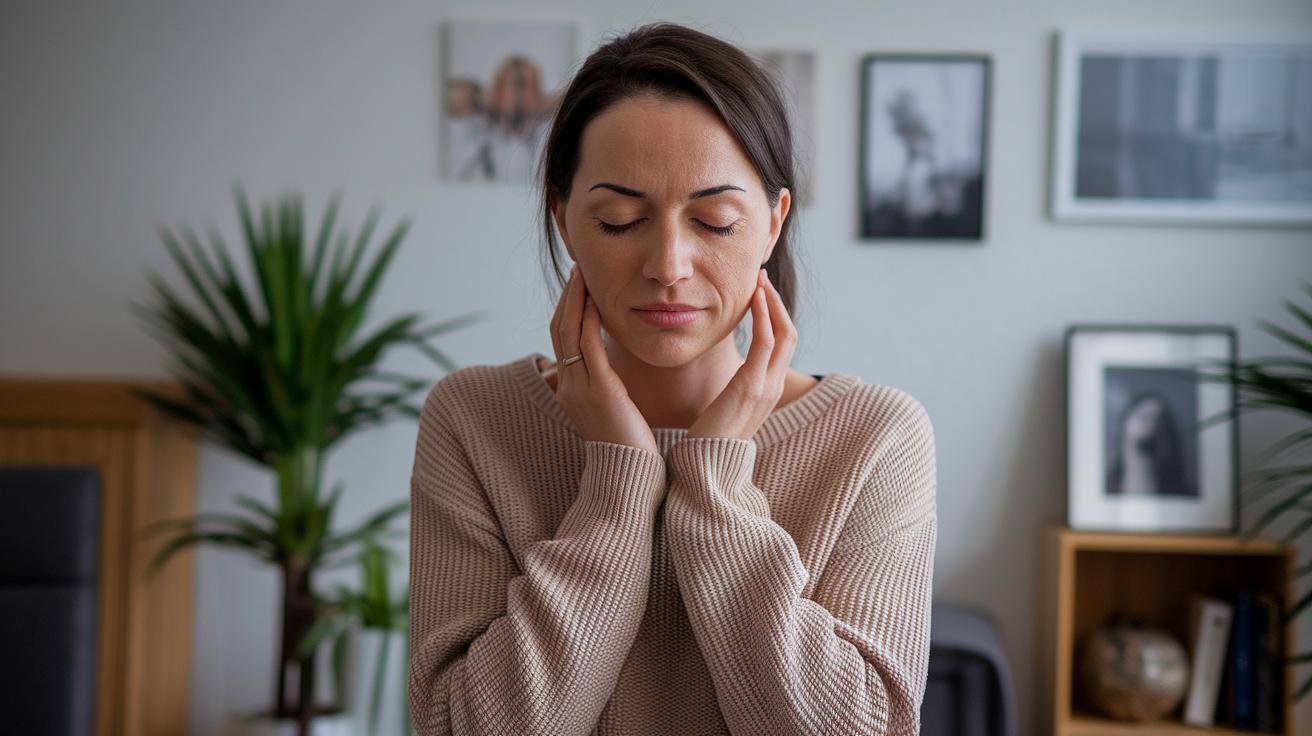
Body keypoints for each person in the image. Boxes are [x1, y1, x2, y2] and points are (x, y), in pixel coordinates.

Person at [408, 21, 938, 735]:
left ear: (773, 224)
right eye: (621, 220)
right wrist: (618, 477)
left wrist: (715, 484)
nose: (668, 265)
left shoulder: (875, 437)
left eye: (715, 221)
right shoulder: (473, 419)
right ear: (564, 219)